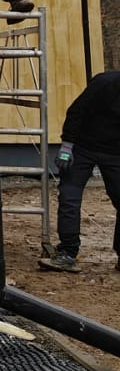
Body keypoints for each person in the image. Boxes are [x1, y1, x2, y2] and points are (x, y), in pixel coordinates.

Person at [39, 71, 120, 273]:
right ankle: (67, 252)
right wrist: (67, 145)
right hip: (82, 148)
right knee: (69, 196)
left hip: (116, 153)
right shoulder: (105, 83)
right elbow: (77, 111)